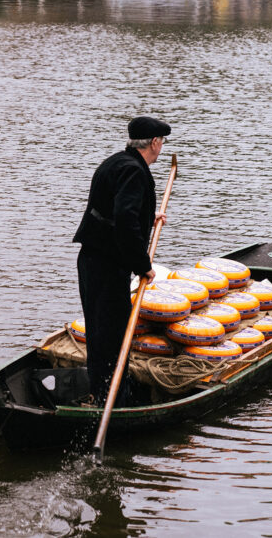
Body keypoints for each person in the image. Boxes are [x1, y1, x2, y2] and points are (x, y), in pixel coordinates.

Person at [74, 116, 171, 406]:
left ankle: (101, 394)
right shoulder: (134, 172)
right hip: (106, 264)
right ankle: (112, 400)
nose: (162, 147)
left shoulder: (115, 162)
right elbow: (125, 221)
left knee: (100, 331)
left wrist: (147, 216)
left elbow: (114, 209)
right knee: (112, 335)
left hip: (94, 259)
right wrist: (144, 266)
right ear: (154, 143)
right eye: (162, 142)